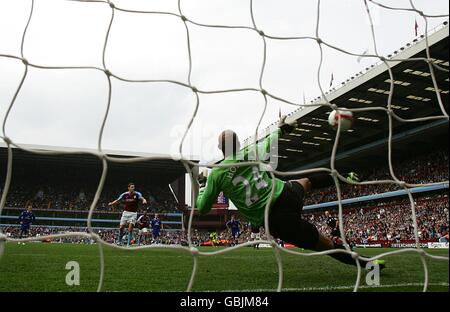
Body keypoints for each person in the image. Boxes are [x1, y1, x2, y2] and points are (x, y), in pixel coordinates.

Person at [196, 116, 385, 269]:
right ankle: (344, 176)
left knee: (324, 244)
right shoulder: (251, 151)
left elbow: (203, 208)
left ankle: (368, 265)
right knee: (307, 181)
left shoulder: (217, 174)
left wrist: (203, 184)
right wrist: (282, 128)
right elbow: (270, 141)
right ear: (238, 143)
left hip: (275, 219)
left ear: (221, 149)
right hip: (287, 194)